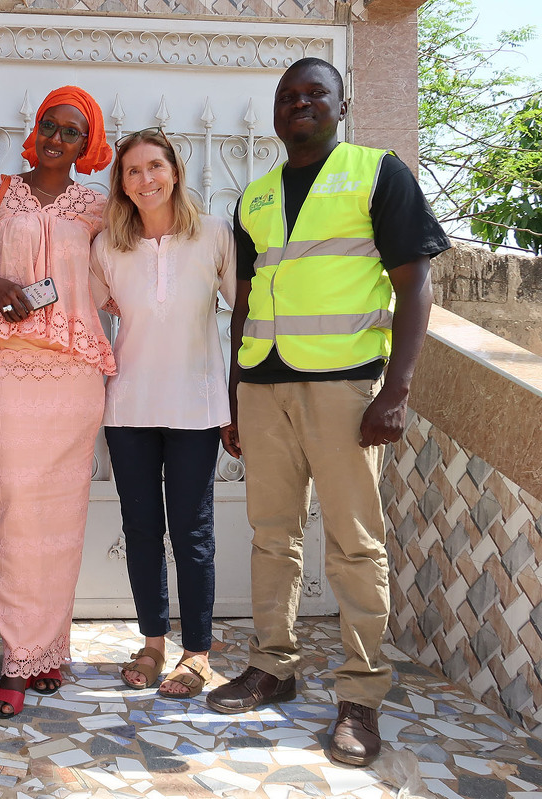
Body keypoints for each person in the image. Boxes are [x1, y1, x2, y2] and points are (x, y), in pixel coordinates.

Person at [205, 58, 449, 766]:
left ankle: (360, 695)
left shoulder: (378, 173)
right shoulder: (254, 198)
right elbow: (243, 309)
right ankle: (272, 666)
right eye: (288, 97)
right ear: (276, 114)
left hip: (346, 391)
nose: (300, 104)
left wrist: (395, 390)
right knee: (271, 535)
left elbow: (415, 283)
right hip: (263, 387)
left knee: (354, 544)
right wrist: (233, 397)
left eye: (316, 93)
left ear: (341, 106)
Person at [0, 86, 116, 719]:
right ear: (36, 129)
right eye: (50, 125)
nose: (56, 138)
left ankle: (49, 647)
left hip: (76, 372)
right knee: (15, 506)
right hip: (4, 365)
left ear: (87, 144)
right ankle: (18, 654)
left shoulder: (100, 209)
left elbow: (119, 282)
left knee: (62, 512)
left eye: (72, 132)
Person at [89, 128, 235, 700]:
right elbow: (102, 310)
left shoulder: (214, 237)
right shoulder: (108, 246)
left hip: (197, 406)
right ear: (121, 184)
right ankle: (152, 643)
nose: (144, 179)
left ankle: (196, 654)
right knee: (142, 529)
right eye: (132, 171)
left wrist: (239, 395)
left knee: (193, 532)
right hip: (129, 407)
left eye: (154, 166)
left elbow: (243, 310)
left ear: (175, 169)